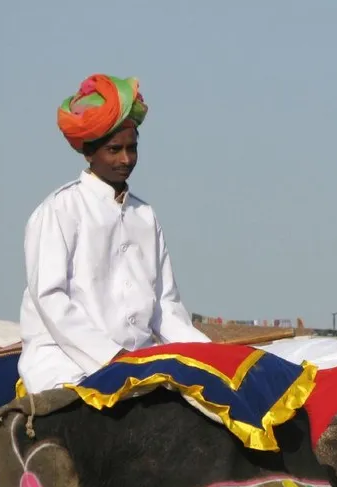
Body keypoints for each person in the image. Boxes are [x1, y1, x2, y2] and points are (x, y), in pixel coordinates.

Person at [18, 74, 209, 393]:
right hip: (68, 366)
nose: (126, 159)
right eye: (114, 149)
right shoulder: (58, 210)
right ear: (89, 153)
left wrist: (210, 357)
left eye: (132, 149)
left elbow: (166, 309)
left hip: (139, 365)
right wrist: (112, 357)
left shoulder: (145, 216)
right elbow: (50, 299)